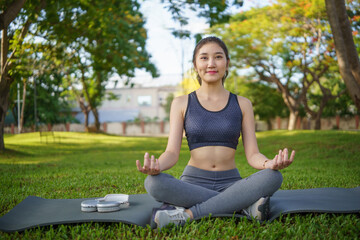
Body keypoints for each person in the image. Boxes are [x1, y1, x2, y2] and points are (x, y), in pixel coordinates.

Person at [136, 36, 295, 229]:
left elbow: (253, 154)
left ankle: (187, 214)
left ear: (227, 63)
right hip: (192, 183)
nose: (211, 63)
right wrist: (157, 166)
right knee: (153, 183)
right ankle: (241, 206)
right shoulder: (181, 103)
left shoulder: (243, 104)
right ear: (195, 65)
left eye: (218, 57)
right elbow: (172, 152)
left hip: (231, 182)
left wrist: (269, 163)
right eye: (204, 58)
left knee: (273, 176)